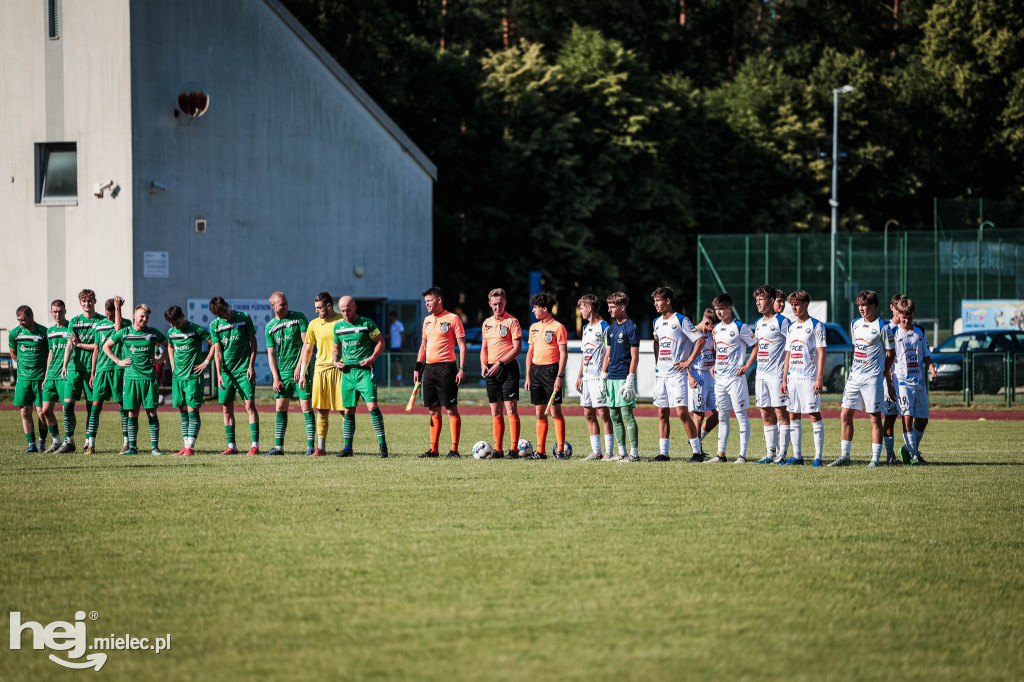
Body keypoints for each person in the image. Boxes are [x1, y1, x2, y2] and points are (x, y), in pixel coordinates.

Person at [836, 290, 894, 467]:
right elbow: (857, 348)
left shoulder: (883, 326)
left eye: (864, 305)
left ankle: (875, 459)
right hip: (855, 377)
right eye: (859, 305)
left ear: (873, 306)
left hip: (872, 379)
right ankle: (845, 457)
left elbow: (891, 353)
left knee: (874, 417)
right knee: (845, 414)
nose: (861, 308)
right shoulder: (855, 324)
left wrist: (883, 372)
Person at [650, 286, 705, 462]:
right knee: (662, 413)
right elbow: (656, 342)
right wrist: (657, 363)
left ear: (667, 301)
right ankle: (663, 453)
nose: (655, 304)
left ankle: (697, 452)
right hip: (662, 375)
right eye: (654, 301)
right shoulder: (656, 322)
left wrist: (688, 361)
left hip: (677, 375)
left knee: (681, 412)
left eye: (658, 300)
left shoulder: (681, 320)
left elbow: (700, 340)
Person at [104, 305, 167, 455]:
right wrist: (118, 361)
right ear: (134, 316)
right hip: (131, 379)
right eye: (142, 316)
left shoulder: (153, 333)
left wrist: (161, 359)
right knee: (132, 413)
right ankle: (132, 447)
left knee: (151, 412)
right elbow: (106, 346)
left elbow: (168, 344)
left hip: (149, 378)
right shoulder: (124, 333)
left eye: (146, 317)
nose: (144, 319)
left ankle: (155, 448)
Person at [741, 285, 792, 464]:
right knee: (765, 413)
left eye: (761, 300)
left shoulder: (782, 322)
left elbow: (791, 348)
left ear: (771, 300)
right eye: (756, 300)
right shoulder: (759, 323)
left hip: (777, 375)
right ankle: (771, 453)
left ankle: (783, 454)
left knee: (781, 413)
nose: (758, 303)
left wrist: (786, 376)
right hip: (761, 375)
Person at [332, 296, 388, 458]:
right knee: (348, 410)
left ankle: (382, 445)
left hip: (364, 372)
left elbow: (380, 342)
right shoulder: (338, 327)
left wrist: (372, 358)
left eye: (348, 310)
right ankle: (348, 448)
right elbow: (336, 347)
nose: (345, 313)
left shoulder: (367, 323)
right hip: (348, 373)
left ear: (355, 307)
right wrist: (336, 361)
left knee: (372, 406)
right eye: (342, 311)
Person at [414, 287, 467, 458]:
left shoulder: (453, 318)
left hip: (447, 368)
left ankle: (454, 449)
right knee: (433, 410)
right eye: (425, 302)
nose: (427, 304)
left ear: (439, 300)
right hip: (429, 369)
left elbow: (462, 346)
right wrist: (417, 367)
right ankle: (433, 449)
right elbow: (423, 346)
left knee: (451, 409)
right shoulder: (427, 320)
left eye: (429, 301)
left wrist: (462, 368)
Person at [706, 294, 756, 463]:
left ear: (730, 308)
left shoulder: (740, 327)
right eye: (716, 309)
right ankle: (721, 455)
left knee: (741, 416)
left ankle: (742, 455)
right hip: (720, 379)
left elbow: (755, 345)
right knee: (722, 417)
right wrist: (714, 365)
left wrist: (747, 366)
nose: (718, 312)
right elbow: (719, 351)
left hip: (736, 379)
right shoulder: (717, 328)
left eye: (721, 309)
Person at [265, 292, 316, 456]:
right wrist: (275, 377)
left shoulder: (298, 318)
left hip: (301, 370)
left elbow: (306, 344)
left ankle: (311, 447)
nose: (286, 305)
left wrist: (300, 366)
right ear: (273, 306)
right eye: (281, 304)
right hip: (283, 372)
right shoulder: (269, 327)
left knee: (306, 406)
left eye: (286, 302)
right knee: (280, 407)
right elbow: (271, 354)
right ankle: (278, 448)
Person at [780, 291, 827, 466]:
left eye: (797, 304)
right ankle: (797, 456)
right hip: (793, 379)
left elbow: (822, 354)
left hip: (809, 378)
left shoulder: (816, 325)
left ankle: (818, 458)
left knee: (814, 415)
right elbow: (788, 355)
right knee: (793, 415)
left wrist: (819, 378)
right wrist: (784, 379)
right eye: (792, 304)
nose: (794, 307)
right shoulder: (791, 327)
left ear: (806, 304)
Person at [208, 296, 260, 455]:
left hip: (244, 370)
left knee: (249, 406)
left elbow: (254, 343)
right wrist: (218, 374)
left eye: (224, 311)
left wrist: (251, 366)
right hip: (226, 373)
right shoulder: (215, 325)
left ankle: (255, 445)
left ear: (227, 305)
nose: (223, 315)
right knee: (226, 409)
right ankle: (232, 446)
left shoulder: (244, 318)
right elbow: (217, 351)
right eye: (220, 314)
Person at [890, 298, 937, 465]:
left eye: (909, 317)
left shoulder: (920, 332)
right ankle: (915, 456)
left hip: (920, 381)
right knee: (907, 417)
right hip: (902, 381)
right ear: (899, 315)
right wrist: (889, 374)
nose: (906, 320)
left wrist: (932, 371)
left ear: (913, 315)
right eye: (903, 317)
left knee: (923, 419)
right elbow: (889, 357)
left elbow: (926, 355)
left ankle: (907, 449)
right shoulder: (894, 332)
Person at [297, 292, 345, 456]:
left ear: (329, 306)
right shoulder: (313, 324)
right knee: (322, 410)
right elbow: (308, 350)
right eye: (315, 308)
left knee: (344, 410)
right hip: (320, 371)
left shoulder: (342, 321)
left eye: (319, 308)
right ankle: (321, 448)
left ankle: (348, 447)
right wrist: (303, 373)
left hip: (340, 371)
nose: (316, 311)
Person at [165, 305, 215, 456]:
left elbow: (214, 344)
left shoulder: (196, 329)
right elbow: (170, 346)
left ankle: (190, 448)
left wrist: (206, 363)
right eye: (172, 324)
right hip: (178, 377)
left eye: (177, 323)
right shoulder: (171, 332)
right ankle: (185, 446)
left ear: (183, 316)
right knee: (183, 411)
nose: (175, 326)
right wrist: (172, 364)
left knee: (193, 410)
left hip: (193, 377)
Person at [58, 289, 105, 453]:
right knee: (67, 405)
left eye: (90, 300)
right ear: (80, 303)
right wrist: (64, 365)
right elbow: (69, 344)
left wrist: (80, 344)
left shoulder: (102, 321)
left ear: (95, 301)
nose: (87, 304)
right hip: (74, 368)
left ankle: (88, 442)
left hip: (93, 369)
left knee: (92, 407)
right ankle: (69, 442)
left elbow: (99, 347)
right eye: (84, 301)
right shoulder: (74, 321)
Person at [524, 292, 568, 459]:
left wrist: (559, 376)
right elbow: (530, 352)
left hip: (551, 372)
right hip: (536, 372)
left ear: (545, 308)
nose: (533, 310)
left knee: (555, 412)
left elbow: (563, 354)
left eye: (535, 307)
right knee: (539, 412)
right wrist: (528, 376)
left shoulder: (558, 327)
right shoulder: (533, 327)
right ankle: (540, 451)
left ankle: (561, 450)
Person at [480, 288, 523, 459]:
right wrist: (484, 364)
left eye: (501, 304)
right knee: (495, 411)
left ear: (505, 303)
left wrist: (500, 363)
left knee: (510, 408)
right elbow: (484, 347)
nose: (498, 307)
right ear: (490, 304)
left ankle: (513, 449)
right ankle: (498, 450)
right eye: (495, 304)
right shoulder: (486, 323)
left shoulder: (512, 322)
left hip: (508, 369)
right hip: (491, 369)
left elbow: (517, 348)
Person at [601, 292, 640, 461]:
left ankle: (634, 453)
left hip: (624, 377)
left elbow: (635, 356)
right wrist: (603, 375)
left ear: (622, 307)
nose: (609, 310)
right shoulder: (611, 329)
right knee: (614, 416)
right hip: (612, 378)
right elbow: (608, 355)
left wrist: (631, 379)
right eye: (608, 306)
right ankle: (622, 452)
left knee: (626, 415)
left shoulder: (632, 327)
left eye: (612, 307)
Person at [576, 294, 613, 460]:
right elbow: (585, 355)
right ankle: (596, 451)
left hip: (599, 377)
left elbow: (608, 353)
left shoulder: (605, 327)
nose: (580, 311)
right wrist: (579, 376)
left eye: (582, 308)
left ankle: (609, 452)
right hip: (586, 378)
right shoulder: (585, 329)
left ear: (589, 308)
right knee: (588, 413)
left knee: (604, 414)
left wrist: (604, 374)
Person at [90, 297, 129, 453]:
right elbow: (96, 349)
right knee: (95, 407)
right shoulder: (99, 325)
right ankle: (90, 444)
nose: (108, 317)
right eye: (107, 314)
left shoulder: (126, 324)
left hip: (118, 370)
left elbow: (118, 331)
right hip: (101, 370)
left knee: (122, 406)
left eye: (111, 315)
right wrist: (93, 373)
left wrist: (118, 309)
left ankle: (126, 442)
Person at [9, 306, 49, 452]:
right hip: (23, 379)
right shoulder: (15, 333)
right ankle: (31, 444)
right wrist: (22, 367)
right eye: (19, 320)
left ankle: (42, 441)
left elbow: (50, 352)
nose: (21, 323)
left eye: (23, 320)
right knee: (25, 411)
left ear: (31, 316)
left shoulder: (44, 332)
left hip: (40, 378)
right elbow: (13, 352)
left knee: (42, 412)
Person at [40, 300, 71, 452]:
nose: (57, 314)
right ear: (51, 312)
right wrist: (46, 377)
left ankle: (68, 442)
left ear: (65, 311)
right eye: (54, 311)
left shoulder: (71, 327)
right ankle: (56, 441)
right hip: (51, 376)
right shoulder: (50, 331)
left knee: (67, 410)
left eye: (60, 311)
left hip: (65, 376)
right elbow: (50, 354)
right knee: (45, 410)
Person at [688, 309, 718, 460]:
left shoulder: (711, 334)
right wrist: (689, 376)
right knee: (699, 415)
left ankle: (696, 440)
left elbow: (714, 354)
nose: (714, 328)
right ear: (707, 323)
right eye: (713, 326)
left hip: (711, 376)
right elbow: (685, 356)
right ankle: (697, 451)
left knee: (719, 413)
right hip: (698, 375)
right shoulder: (693, 333)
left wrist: (715, 339)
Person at [388, 311, 405, 386]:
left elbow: (402, 334)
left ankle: (400, 380)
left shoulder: (399, 324)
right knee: (393, 364)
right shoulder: (392, 325)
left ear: (393, 316)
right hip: (392, 347)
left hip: (398, 347)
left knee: (398, 364)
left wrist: (401, 345)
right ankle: (397, 379)